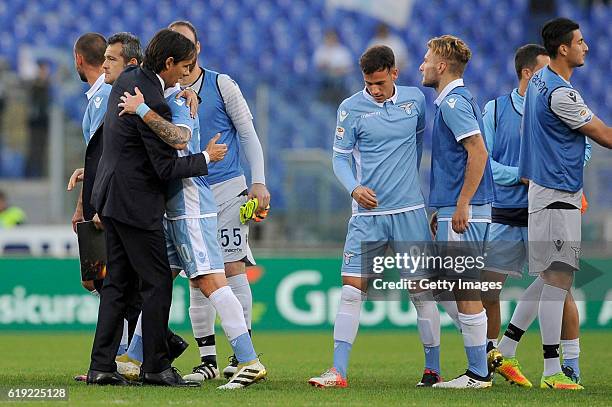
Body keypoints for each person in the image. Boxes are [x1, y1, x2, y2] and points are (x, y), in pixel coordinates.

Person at [307, 45, 443, 388]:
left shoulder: (415, 101)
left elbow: (416, 146)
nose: (374, 90)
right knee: (352, 291)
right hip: (367, 214)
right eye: (368, 84)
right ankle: (338, 371)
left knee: (421, 293)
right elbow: (339, 159)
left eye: (380, 82)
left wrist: (412, 192)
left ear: (394, 73)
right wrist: (354, 188)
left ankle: (433, 370)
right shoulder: (350, 108)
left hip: (410, 212)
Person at [87, 29, 208, 387]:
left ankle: (101, 366)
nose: (186, 74)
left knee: (118, 285)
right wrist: (205, 159)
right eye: (184, 68)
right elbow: (165, 167)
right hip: (136, 204)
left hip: (110, 198)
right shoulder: (152, 100)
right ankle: (156, 367)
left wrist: (180, 94)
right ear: (168, 63)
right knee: (157, 282)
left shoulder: (128, 79)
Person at [506, 17, 612, 390]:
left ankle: (505, 348)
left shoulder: (538, 80)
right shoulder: (560, 94)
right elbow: (604, 136)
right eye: (580, 41)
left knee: (550, 277)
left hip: (548, 193)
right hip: (557, 193)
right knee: (558, 280)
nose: (586, 47)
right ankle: (553, 372)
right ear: (563, 49)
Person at [481, 44, 591, 387]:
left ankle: (568, 364)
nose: (552, 78)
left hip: (547, 205)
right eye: (546, 71)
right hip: (508, 209)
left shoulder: (560, 102)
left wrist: (553, 173)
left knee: (560, 285)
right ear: (529, 73)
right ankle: (487, 357)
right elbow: (483, 160)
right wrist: (521, 174)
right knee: (489, 288)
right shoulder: (496, 110)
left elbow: (584, 147)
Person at [167, 20, 271, 382]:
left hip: (227, 188)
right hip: (188, 192)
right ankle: (207, 360)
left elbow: (248, 133)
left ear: (197, 48)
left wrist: (258, 182)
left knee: (231, 268)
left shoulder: (221, 83)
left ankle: (239, 355)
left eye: (187, 43)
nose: (183, 49)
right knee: (197, 277)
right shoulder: (165, 91)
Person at [419, 35, 495, 389]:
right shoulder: (451, 101)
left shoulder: (453, 103)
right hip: (455, 208)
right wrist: (445, 207)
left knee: (464, 289)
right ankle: (482, 357)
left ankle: (478, 372)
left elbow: (478, 152)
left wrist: (462, 202)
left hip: (466, 210)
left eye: (426, 59)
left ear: (442, 65)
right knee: (439, 285)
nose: (422, 65)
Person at [25, 60, 51, 178]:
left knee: (42, 149)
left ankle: (40, 174)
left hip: (44, 122)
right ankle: (29, 174)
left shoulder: (47, 85)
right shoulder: (35, 85)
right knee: (33, 148)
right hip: (35, 122)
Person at [313, 30, 353, 105]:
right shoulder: (321, 50)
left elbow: (348, 68)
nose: (330, 40)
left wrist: (336, 70)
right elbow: (318, 66)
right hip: (325, 77)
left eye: (332, 37)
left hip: (340, 77)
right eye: (328, 38)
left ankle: (337, 100)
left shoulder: (342, 51)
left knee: (339, 81)